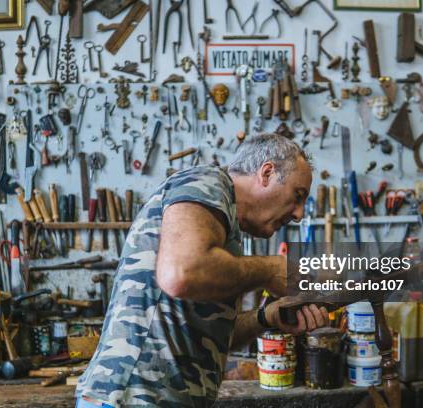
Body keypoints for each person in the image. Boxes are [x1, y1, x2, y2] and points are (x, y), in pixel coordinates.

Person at [75, 133, 330, 407]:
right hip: (133, 398)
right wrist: (271, 269)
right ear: (267, 173)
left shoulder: (224, 228)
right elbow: (181, 274)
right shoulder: (206, 184)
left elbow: (210, 337)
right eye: (298, 195)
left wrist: (265, 317)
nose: (299, 214)